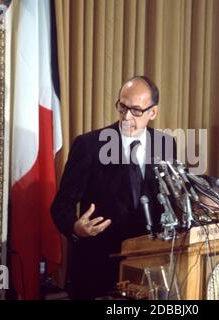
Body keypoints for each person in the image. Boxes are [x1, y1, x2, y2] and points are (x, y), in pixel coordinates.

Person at [51, 76, 176, 299]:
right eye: (123, 107)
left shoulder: (165, 144)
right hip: (98, 270)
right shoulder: (89, 145)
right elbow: (61, 205)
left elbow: (171, 201)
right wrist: (76, 227)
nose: (127, 117)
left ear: (153, 113)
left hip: (149, 267)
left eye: (136, 111)